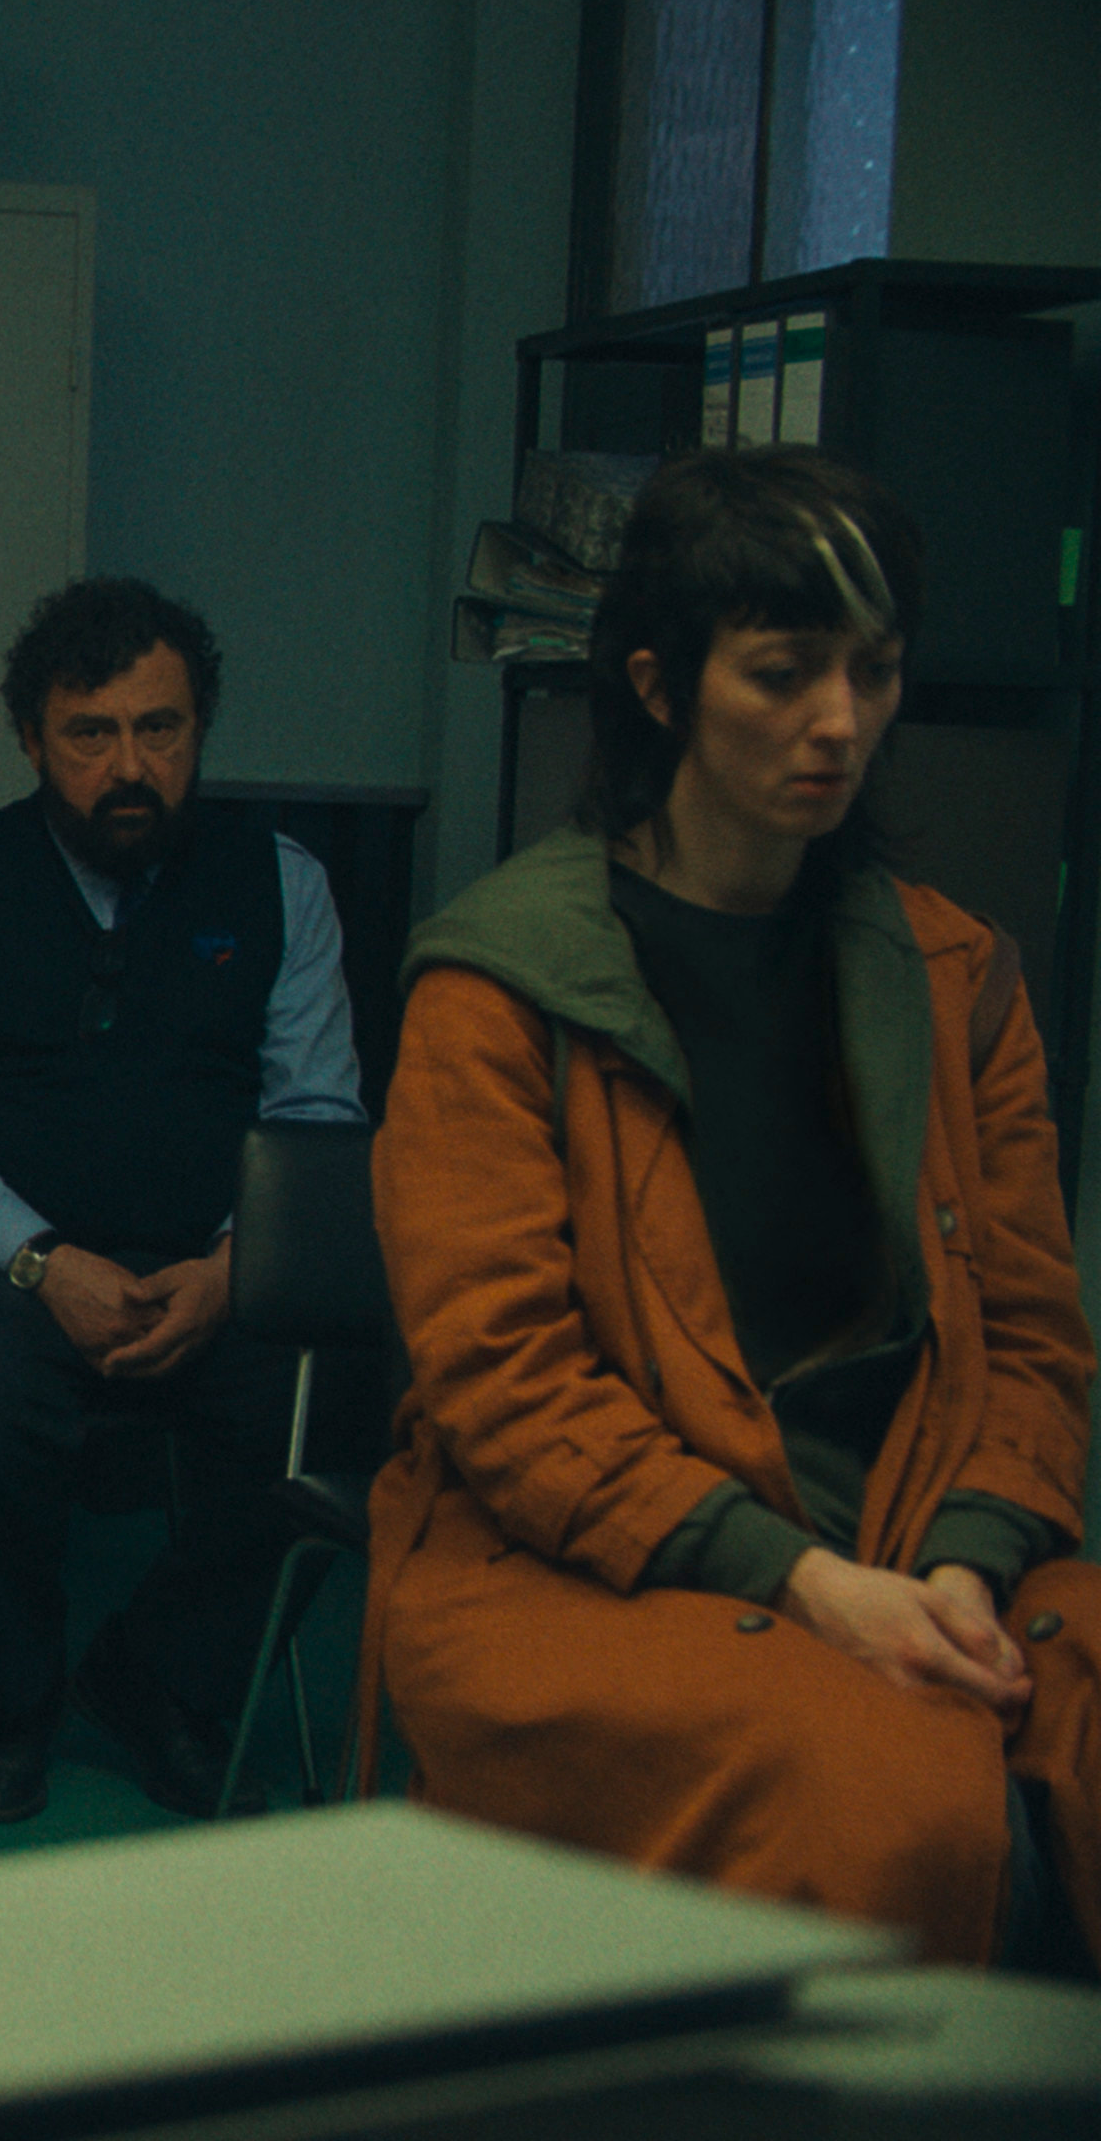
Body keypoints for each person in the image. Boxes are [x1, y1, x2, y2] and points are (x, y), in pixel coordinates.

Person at [368, 446, 1101, 1967]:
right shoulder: (499, 985)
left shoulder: (954, 977)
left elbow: (1034, 1339)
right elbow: (507, 1388)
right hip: (593, 1553)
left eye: (874, 672)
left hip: (912, 1523)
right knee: (889, 1800)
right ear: (659, 684)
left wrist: (961, 1566)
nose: (841, 722)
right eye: (783, 674)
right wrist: (810, 1586)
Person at [0, 577, 363, 1824]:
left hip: (216, 1264)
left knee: (349, 1393)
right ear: (33, 740)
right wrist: (42, 1262)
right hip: (5, 1267)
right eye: (91, 733)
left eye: (159, 729)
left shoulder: (282, 883)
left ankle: (161, 1679)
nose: (129, 766)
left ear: (198, 730)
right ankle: (12, 1702)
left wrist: (235, 1269)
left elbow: (318, 1116)